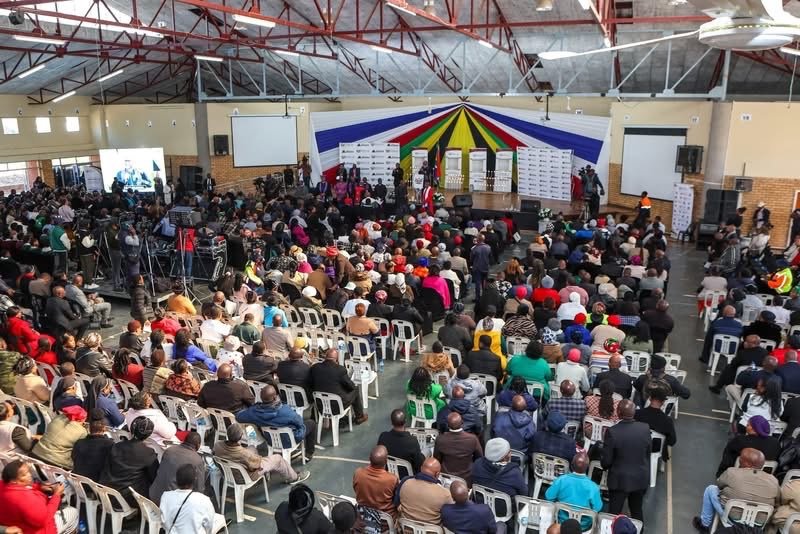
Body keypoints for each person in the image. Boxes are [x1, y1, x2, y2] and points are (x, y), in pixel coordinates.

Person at [693, 448, 780, 533]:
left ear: (747, 463)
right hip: (757, 524)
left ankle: (704, 525)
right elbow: (777, 502)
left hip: (731, 518)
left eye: (741, 458)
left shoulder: (732, 472)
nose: (739, 460)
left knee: (711, 489)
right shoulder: (774, 481)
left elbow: (719, 485)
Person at [237, 384, 317, 462]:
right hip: (289, 441)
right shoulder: (285, 411)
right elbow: (299, 422)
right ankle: (308, 453)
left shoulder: (255, 412)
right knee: (311, 423)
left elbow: (239, 417)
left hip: (270, 440)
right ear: (275, 397)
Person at [214, 423, 310, 487]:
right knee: (278, 459)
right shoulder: (244, 454)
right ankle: (294, 478)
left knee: (252, 448)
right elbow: (257, 465)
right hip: (246, 476)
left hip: (230, 473)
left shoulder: (217, 445)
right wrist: (258, 459)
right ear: (241, 437)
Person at [601, 400, 651, 521]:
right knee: (637, 511)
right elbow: (648, 452)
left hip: (619, 480)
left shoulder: (613, 432)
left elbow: (606, 462)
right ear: (634, 412)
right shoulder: (645, 428)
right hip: (640, 478)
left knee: (613, 514)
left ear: (618, 412)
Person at [0, 459, 79, 534]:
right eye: (24, 475)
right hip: (38, 530)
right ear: (14, 481)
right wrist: (56, 496)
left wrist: (39, 487)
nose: (29, 475)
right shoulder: (24, 498)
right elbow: (43, 520)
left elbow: (23, 486)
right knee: (73, 512)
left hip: (14, 523)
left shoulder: (3, 484)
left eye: (28, 472)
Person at [99, 416, 160, 504]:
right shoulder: (148, 453)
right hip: (128, 499)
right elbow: (154, 477)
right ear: (149, 434)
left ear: (131, 430)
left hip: (107, 493)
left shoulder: (117, 446)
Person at [545, 452, 603, 531]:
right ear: (587, 467)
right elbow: (597, 508)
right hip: (583, 527)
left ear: (572, 465)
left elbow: (548, 496)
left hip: (562, 522)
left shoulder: (561, 480)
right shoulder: (593, 487)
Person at [310, 348, 368, 424]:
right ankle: (360, 417)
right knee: (355, 390)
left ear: (325, 357)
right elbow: (351, 387)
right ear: (336, 359)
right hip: (337, 406)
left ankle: (314, 417)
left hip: (320, 404)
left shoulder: (315, 367)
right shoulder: (340, 369)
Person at [160, 464, 222, 534]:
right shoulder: (204, 500)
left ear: (176, 480)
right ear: (194, 481)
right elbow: (209, 526)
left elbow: (163, 521)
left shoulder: (165, 496)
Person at [472, 438, 528, 514]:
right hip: (504, 510)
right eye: (509, 452)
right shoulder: (514, 472)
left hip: (481, 503)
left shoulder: (477, 464)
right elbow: (524, 493)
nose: (510, 453)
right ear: (504, 457)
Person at [149, 432, 206, 504]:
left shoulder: (169, 450)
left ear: (184, 440)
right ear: (198, 445)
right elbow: (200, 489)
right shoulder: (197, 460)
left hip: (154, 495)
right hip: (170, 503)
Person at [396, 457, 453, 524]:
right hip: (432, 529)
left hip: (405, 528)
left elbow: (396, 503)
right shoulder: (445, 494)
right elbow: (450, 516)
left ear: (421, 468)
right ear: (437, 474)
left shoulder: (405, 482)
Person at [31, 405, 88, 469]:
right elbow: (79, 449)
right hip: (56, 463)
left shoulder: (57, 418)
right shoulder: (82, 431)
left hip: (35, 454)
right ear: (80, 419)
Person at [434, 412, 483, 483]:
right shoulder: (472, 439)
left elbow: (437, 458)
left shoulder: (440, 439)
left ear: (448, 425)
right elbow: (479, 457)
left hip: (446, 478)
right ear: (462, 423)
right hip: (466, 478)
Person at [352, 445, 399, 518]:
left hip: (363, 516)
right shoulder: (392, 479)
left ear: (369, 459)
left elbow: (356, 490)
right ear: (386, 461)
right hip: (385, 520)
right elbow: (396, 500)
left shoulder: (358, 473)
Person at [634, 387, 677, 461]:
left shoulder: (637, 414)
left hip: (637, 445)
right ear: (663, 402)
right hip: (655, 449)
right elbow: (672, 441)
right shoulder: (667, 421)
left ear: (650, 398)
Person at [71, 410, 114, 481]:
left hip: (78, 482)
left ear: (89, 428)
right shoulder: (110, 445)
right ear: (104, 428)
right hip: (97, 484)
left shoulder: (78, 443)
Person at [471, 235, 493, 302]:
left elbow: (471, 259)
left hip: (477, 268)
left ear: (478, 240)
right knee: (485, 282)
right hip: (486, 267)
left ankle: (477, 298)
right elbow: (490, 257)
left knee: (478, 283)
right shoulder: (488, 247)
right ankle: (485, 296)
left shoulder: (475, 248)